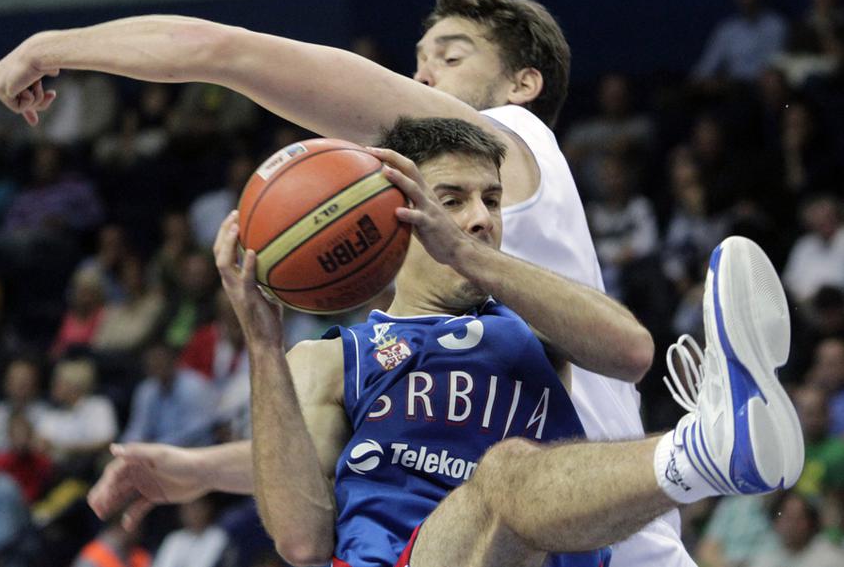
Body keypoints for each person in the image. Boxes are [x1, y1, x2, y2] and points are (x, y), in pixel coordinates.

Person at [0, 0, 684, 565]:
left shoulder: (512, 138)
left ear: (521, 85)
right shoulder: (418, 316)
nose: (421, 77)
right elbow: (381, 448)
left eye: (450, 55)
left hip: (602, 532)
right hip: (519, 537)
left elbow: (226, 51)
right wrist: (202, 469)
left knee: (506, 478)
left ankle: (702, 446)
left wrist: (50, 47)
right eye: (417, 61)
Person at [91, 119, 803, 567]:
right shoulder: (330, 358)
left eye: (491, 199)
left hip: (535, 554)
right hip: (407, 555)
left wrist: (467, 252)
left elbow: (631, 352)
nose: (481, 216)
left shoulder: (530, 318)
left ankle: (715, 444)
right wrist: (262, 343)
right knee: (503, 474)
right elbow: (302, 538)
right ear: (388, 215)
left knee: (511, 481)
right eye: (451, 199)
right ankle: (706, 450)